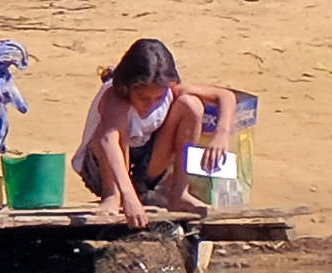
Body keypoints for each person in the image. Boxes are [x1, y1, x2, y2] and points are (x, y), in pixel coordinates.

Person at [73, 36, 242, 225]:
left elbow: (226, 96)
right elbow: (108, 141)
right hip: (103, 168)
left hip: (145, 165)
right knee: (110, 130)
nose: (150, 105)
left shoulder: (172, 89)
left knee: (192, 105)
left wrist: (222, 134)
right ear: (127, 88)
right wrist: (128, 195)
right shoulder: (115, 96)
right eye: (143, 98)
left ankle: (178, 194)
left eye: (158, 98)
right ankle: (112, 195)